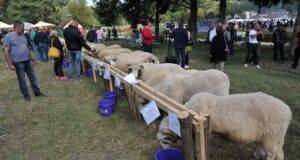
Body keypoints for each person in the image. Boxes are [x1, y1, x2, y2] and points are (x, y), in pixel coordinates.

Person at [3, 21, 46, 101]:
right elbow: (6, 51)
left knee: (33, 78)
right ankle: (26, 96)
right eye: (22, 28)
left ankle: (37, 92)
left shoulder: (22, 35)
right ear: (17, 27)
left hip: (27, 61)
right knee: (22, 79)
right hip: (18, 62)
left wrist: (31, 58)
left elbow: (26, 48)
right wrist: (10, 65)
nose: (23, 30)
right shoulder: (8, 36)